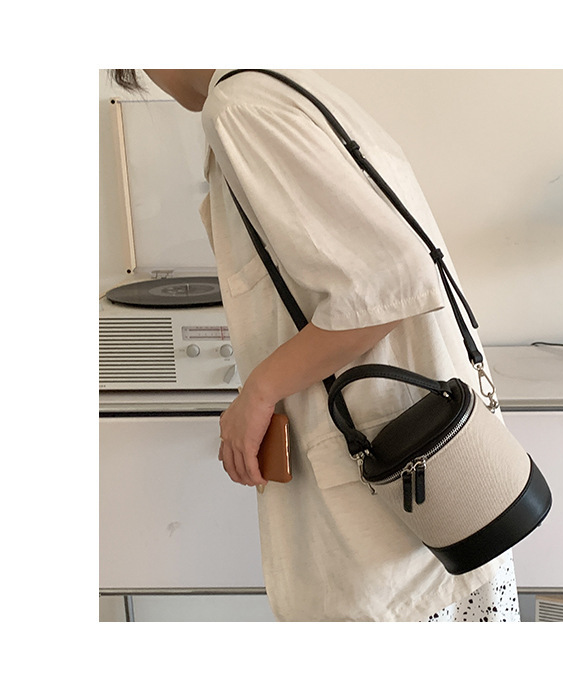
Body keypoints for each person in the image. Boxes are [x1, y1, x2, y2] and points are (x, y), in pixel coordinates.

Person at [109, 69, 521, 622]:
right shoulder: (290, 87)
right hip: (439, 465)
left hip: (392, 491)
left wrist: (258, 393)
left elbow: (388, 285)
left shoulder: (240, 107)